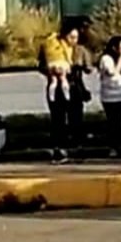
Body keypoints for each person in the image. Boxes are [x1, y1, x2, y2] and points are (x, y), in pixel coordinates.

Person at [40, 22, 79, 163]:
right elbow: (41, 65)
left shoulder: (77, 49)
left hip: (74, 87)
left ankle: (73, 146)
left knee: (74, 118)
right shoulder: (53, 45)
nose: (74, 40)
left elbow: (86, 66)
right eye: (72, 37)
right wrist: (51, 72)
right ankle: (59, 148)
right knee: (58, 119)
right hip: (57, 90)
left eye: (76, 37)